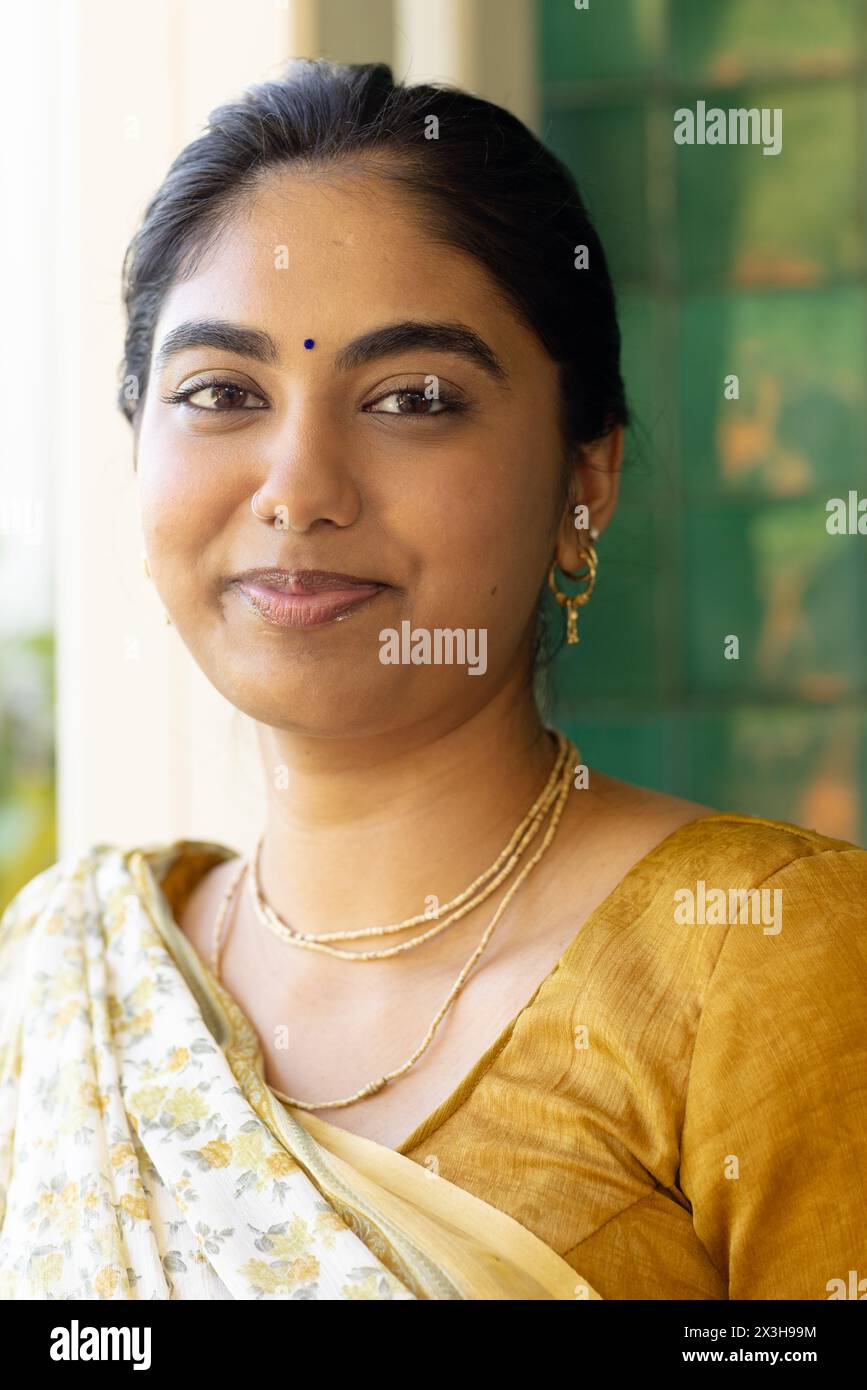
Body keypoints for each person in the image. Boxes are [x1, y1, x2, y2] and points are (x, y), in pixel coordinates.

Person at [1, 58, 865, 1301]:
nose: (300, 487)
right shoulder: (63, 981)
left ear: (587, 481)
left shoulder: (766, 962)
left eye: (413, 397)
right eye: (221, 393)